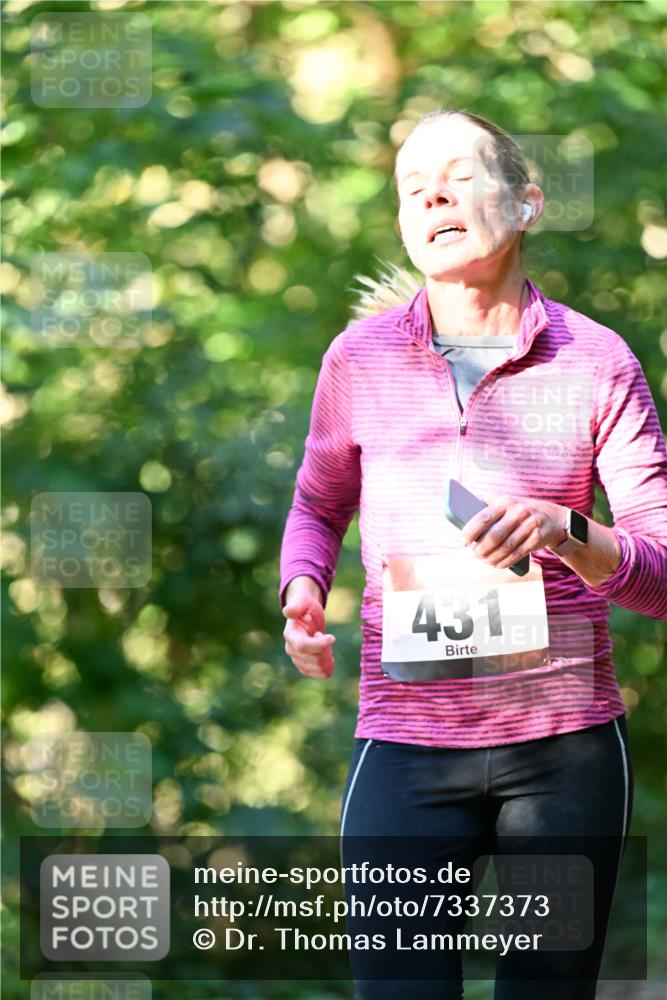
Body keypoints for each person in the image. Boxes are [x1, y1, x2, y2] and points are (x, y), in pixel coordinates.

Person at [278, 109, 667, 999]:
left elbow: (660, 572)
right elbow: (318, 502)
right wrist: (302, 586)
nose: (433, 198)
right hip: (405, 744)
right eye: (412, 188)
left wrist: (566, 530)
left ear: (526, 203)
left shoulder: (596, 360)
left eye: (458, 177)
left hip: (565, 748)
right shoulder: (359, 359)